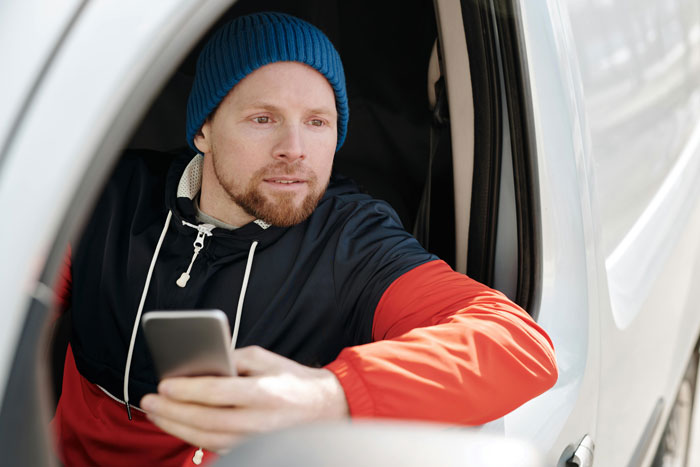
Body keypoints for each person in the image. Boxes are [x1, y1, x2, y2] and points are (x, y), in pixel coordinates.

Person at [51, 11, 558, 466]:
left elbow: (517, 345)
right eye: (263, 119)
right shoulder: (107, 198)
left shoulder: (353, 239)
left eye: (317, 123)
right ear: (203, 129)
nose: (294, 149)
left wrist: (328, 394)